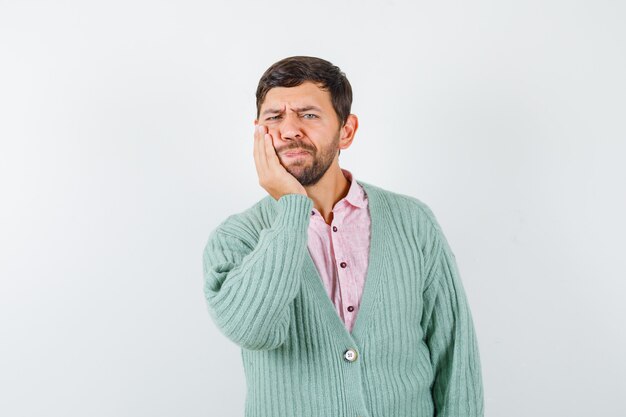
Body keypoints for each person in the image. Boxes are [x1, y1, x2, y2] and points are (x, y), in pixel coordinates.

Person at [202, 56, 484, 417]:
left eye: (308, 115)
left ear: (346, 131)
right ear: (258, 131)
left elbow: (454, 354)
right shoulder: (236, 238)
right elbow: (253, 329)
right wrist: (292, 208)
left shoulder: (413, 222)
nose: (289, 130)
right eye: (274, 118)